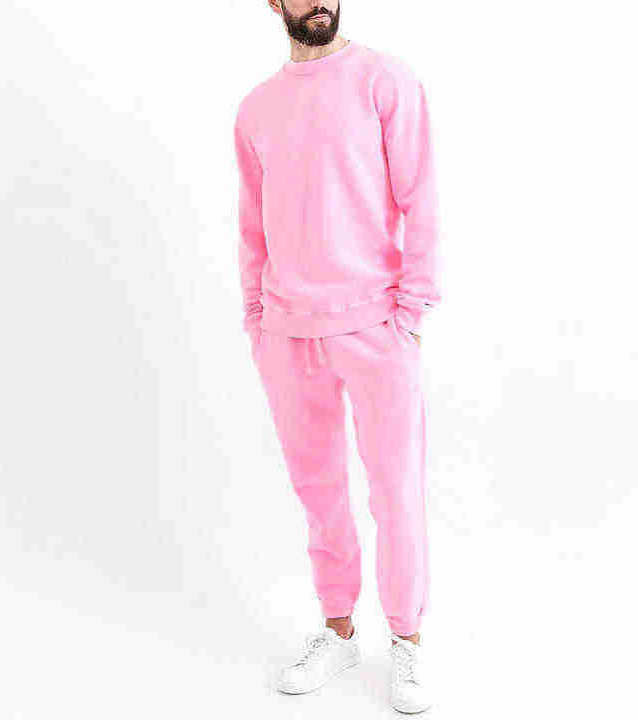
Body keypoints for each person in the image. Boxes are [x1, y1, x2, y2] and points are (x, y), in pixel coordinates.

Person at [233, 1, 442, 713]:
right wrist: (257, 319)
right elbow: (252, 224)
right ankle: (338, 628)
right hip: (287, 331)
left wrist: (411, 310)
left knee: (395, 490)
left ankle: (407, 639)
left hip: (376, 325)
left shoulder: (385, 80)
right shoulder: (257, 109)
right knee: (318, 492)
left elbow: (421, 198)